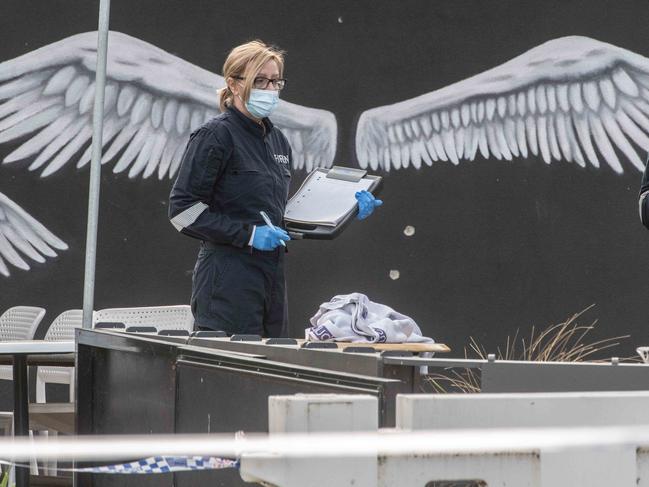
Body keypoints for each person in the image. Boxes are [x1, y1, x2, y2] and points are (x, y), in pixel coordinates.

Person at [168, 40, 382, 337]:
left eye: (275, 81)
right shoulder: (215, 136)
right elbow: (183, 211)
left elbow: (280, 219)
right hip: (227, 281)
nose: (269, 88)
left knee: (271, 371)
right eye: (259, 80)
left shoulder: (277, 140)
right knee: (234, 374)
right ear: (233, 83)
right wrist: (250, 235)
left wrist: (345, 209)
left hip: (271, 279)